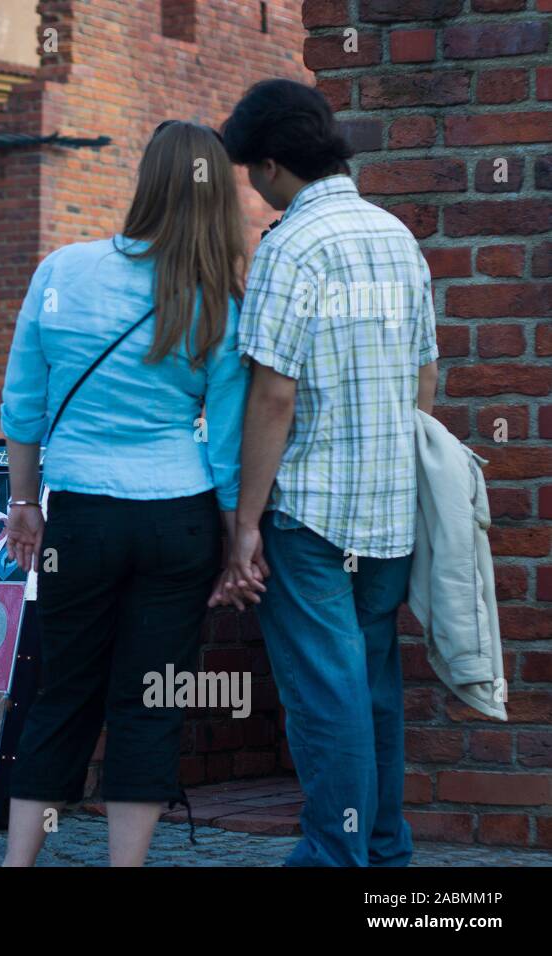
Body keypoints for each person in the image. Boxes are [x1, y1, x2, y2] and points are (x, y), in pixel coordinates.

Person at [0, 121, 250, 866]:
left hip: (82, 515)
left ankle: (18, 862)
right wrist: (241, 539)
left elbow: (22, 403)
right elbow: (229, 444)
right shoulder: (219, 300)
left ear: (146, 182)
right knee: (151, 699)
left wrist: (25, 502)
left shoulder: (62, 271)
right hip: (180, 518)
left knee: (62, 692)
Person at [215, 79, 439, 867]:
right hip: (389, 510)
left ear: (272, 165)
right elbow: (423, 379)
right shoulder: (396, 236)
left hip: (311, 511)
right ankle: (381, 848)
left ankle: (334, 857)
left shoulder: (292, 245)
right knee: (371, 684)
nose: (249, 185)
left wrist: (245, 522)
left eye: (249, 172)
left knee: (325, 693)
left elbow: (273, 391)